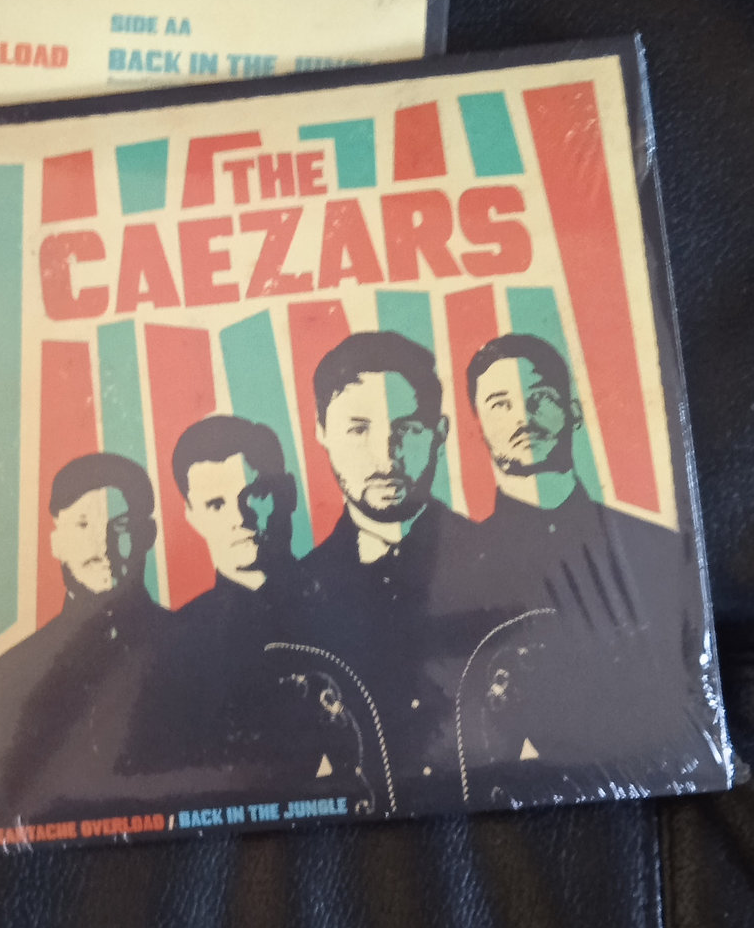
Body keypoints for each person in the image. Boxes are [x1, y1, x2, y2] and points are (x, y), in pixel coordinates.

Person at [456, 333, 723, 807]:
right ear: (478, 428)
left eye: (540, 396)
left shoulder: (658, 547)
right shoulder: (456, 573)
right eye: (500, 404)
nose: (522, 416)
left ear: (574, 411)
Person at [291, 331, 482, 814]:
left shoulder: (502, 562)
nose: (386, 455)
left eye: (409, 428)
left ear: (440, 432)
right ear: (321, 432)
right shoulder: (292, 596)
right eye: (358, 429)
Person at [0, 453, 164, 836]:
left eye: (119, 526)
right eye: (83, 524)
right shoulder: (3, 680)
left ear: (148, 535)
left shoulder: (195, 646)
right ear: (56, 542)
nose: (101, 543)